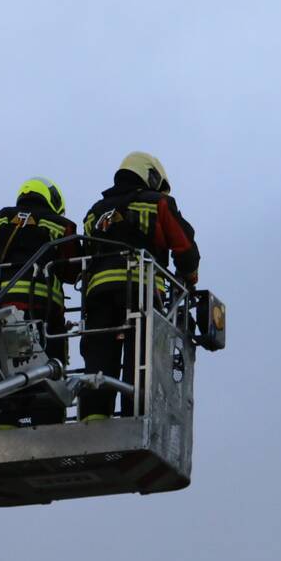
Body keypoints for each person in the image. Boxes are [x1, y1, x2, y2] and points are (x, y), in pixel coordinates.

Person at [79, 152, 200, 421]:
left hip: (98, 295)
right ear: (151, 175)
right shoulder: (158, 203)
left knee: (99, 357)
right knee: (141, 356)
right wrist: (189, 277)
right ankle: (137, 417)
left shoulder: (94, 212)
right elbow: (185, 248)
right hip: (140, 291)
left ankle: (93, 420)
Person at [0, 177, 80, 427]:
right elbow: (74, 269)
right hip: (43, 312)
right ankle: (49, 425)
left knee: (3, 373)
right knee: (48, 373)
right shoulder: (60, 225)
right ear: (53, 200)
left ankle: (3, 423)